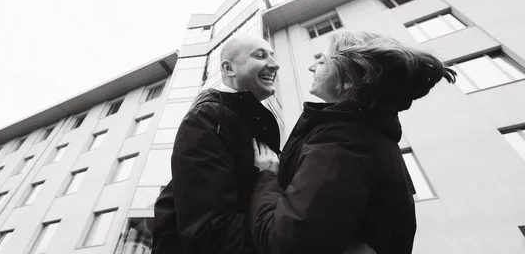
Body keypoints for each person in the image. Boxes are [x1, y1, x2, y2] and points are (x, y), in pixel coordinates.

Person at [251, 30, 457, 254]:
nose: (312, 68)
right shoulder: (366, 137)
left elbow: (282, 245)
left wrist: (267, 176)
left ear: (348, 79)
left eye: (322, 60)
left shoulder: (342, 144)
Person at [152, 36, 282, 254]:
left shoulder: (248, 119)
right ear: (229, 68)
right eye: (260, 55)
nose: (275, 64)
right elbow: (209, 231)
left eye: (272, 55)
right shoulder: (207, 118)